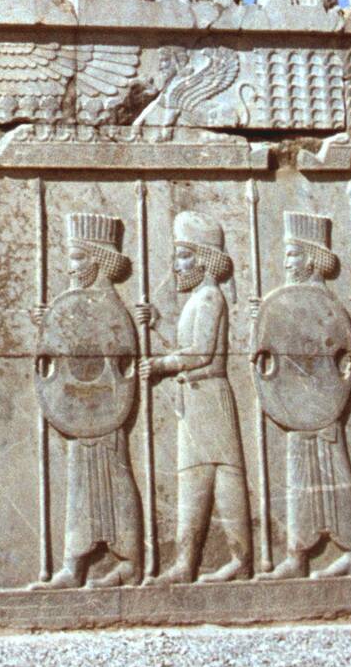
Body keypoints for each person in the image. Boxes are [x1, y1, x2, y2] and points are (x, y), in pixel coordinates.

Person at [33, 212, 143, 588]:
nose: (70, 267)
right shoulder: (80, 303)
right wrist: (51, 322)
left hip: (104, 410)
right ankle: (75, 563)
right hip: (81, 409)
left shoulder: (110, 306)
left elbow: (111, 348)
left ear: (96, 259)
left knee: (114, 479)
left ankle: (129, 561)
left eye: (77, 258)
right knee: (80, 485)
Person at [140, 211, 250, 582]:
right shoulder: (198, 299)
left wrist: (160, 365)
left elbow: (201, 353)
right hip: (196, 398)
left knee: (223, 478)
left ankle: (239, 560)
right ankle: (187, 564)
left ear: (203, 259)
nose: (176, 265)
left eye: (183, 255)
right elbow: (188, 347)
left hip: (209, 396)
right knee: (195, 480)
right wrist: (157, 326)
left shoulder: (208, 299)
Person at [253, 211, 351, 580]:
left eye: (293, 255)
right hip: (296, 406)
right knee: (298, 478)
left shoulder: (328, 306)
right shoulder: (286, 301)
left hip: (323, 404)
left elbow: (341, 354)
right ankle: (298, 554)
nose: (286, 263)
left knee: (335, 472)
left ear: (312, 258)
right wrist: (263, 317)